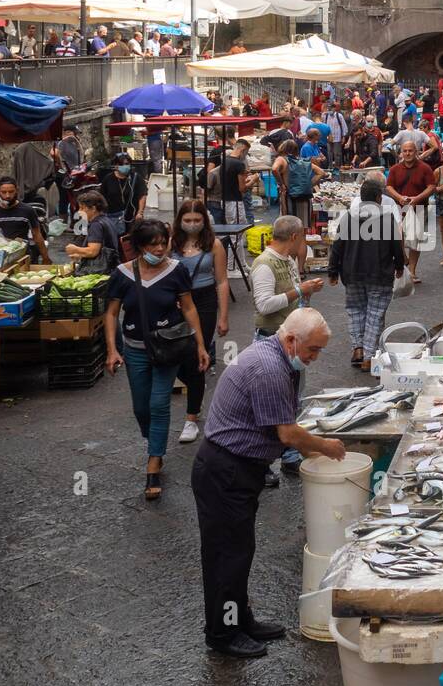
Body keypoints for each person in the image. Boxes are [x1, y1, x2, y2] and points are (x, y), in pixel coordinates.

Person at [191, 306, 343, 659]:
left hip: (237, 468)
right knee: (227, 555)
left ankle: (240, 619)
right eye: (312, 350)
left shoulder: (276, 358)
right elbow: (288, 434)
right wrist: (326, 448)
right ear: (291, 340)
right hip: (225, 470)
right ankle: (222, 634)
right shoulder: (270, 368)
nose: (315, 358)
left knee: (239, 551)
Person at [104, 219, 209, 501]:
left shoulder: (177, 271)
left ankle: (154, 460)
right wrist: (112, 350)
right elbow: (112, 313)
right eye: (154, 244)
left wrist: (200, 344)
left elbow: (188, 308)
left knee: (158, 402)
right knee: (141, 407)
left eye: (163, 243)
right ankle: (154, 441)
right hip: (135, 349)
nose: (160, 249)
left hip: (169, 349)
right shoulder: (122, 275)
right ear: (140, 246)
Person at [250, 215, 325, 481]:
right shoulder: (264, 265)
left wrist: (306, 293)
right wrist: (298, 290)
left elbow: (292, 296)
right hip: (270, 340)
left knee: (293, 399)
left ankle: (290, 455)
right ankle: (262, 463)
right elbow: (264, 305)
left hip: (293, 342)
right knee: (268, 404)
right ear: (294, 238)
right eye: (302, 238)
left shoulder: (290, 261)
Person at [328, 178, 406, 370]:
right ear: (379, 198)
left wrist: (333, 270)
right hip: (379, 274)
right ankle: (369, 357)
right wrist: (399, 266)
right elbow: (397, 246)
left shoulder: (348, 217)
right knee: (375, 314)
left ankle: (358, 349)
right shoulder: (387, 219)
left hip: (352, 273)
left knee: (355, 311)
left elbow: (337, 246)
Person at [171, 200, 230, 443]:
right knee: (175, 356)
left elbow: (222, 281)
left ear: (205, 220)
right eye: (188, 221)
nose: (192, 225)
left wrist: (223, 316)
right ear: (180, 221)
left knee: (197, 355)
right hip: (174, 303)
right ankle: (198, 386)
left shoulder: (214, 245)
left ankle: (191, 417)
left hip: (204, 302)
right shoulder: (170, 244)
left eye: (197, 220)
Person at [386, 138, 435, 284]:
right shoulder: (395, 169)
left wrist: (417, 198)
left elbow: (431, 186)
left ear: (416, 152)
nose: (407, 153)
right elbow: (389, 187)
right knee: (398, 238)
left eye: (410, 151)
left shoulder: (425, 168)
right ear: (401, 153)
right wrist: (399, 198)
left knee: (416, 240)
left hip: (419, 207)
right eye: (405, 151)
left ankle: (412, 271)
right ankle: (403, 259)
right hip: (399, 208)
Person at [0, 176, 50, 264]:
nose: (7, 195)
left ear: (16, 190)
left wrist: (45, 258)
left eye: (11, 192)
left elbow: (37, 235)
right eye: (4, 192)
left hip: (22, 258)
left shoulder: (27, 210)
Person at [64, 192, 122, 272]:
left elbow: (93, 251)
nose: (79, 212)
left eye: (82, 208)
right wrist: (80, 255)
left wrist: (75, 249)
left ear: (93, 209)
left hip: (102, 270)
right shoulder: (106, 220)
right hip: (111, 266)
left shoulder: (96, 225)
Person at [100, 153, 147, 235]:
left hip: (131, 217)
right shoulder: (108, 179)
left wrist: (140, 212)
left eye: (127, 164)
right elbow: (102, 197)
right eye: (121, 164)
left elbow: (142, 195)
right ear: (116, 165)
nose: (125, 166)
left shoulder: (135, 177)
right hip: (113, 217)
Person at [326, 104, 349, 168]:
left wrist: (343, 136)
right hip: (329, 138)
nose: (330, 110)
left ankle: (337, 167)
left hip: (337, 138)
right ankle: (330, 167)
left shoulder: (339, 116)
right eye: (329, 109)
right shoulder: (327, 116)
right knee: (329, 153)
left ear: (334, 108)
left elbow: (344, 126)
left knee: (337, 153)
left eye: (331, 109)